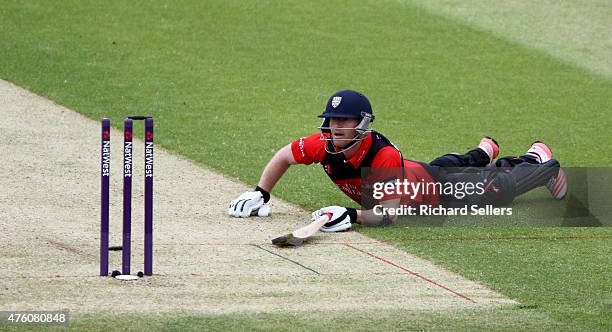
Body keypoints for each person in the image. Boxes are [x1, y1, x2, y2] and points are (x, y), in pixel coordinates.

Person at [228, 90, 567, 231]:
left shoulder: (383, 155)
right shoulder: (324, 143)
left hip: (436, 196)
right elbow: (285, 156)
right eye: (332, 121)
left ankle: (541, 162)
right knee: (451, 163)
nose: (334, 127)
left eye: (344, 121)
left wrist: (352, 215)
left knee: (499, 188)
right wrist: (262, 192)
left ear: (361, 123)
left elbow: (386, 215)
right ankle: (484, 152)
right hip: (422, 172)